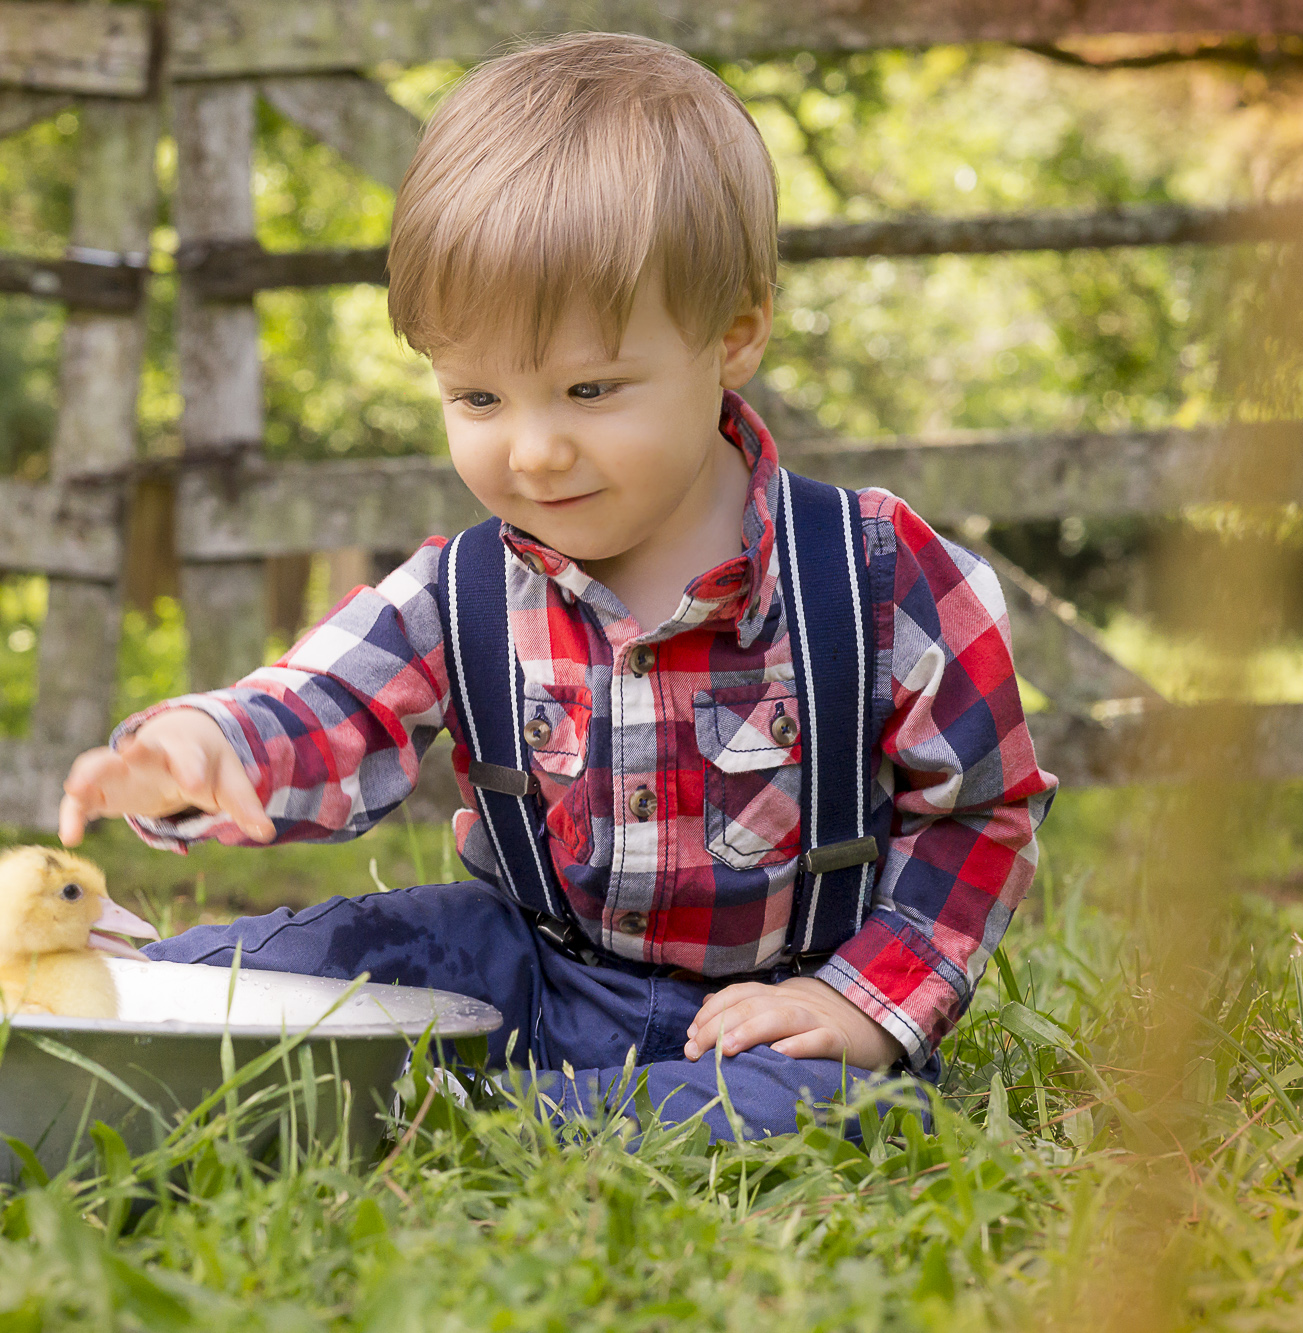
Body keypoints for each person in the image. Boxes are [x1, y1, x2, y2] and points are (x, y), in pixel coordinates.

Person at [58, 33, 1056, 1139]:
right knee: (349, 949)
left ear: (732, 336)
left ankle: (474, 1119)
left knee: (828, 1103)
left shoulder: (867, 573)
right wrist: (210, 747)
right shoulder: (464, 590)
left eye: (589, 389)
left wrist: (861, 1003)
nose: (531, 452)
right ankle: (70, 990)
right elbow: (326, 702)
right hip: (528, 968)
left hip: (771, 1019)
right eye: (478, 399)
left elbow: (981, 806)